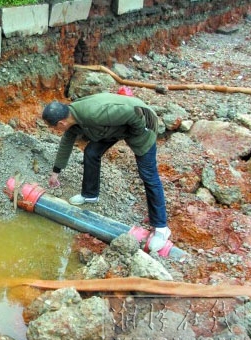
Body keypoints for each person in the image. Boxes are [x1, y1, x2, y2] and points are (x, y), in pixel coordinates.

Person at [42, 92, 171, 251]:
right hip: (113, 128)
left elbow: (134, 112)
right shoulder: (73, 118)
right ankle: (90, 195)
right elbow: (66, 143)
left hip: (143, 124)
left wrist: (134, 135)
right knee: (91, 152)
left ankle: (161, 228)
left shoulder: (94, 113)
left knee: (148, 174)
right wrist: (56, 171)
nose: (55, 131)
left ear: (61, 123)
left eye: (53, 127)